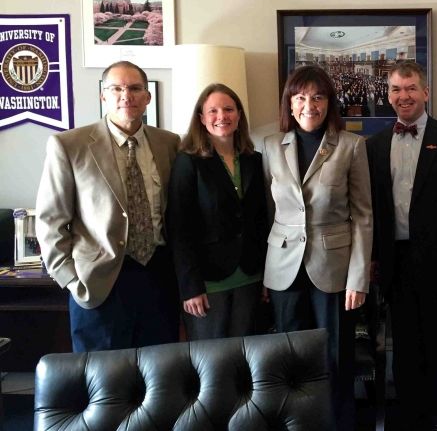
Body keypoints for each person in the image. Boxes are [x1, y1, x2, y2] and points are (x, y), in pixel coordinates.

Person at [35, 60, 180, 352]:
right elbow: (51, 220)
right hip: (99, 282)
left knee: (159, 370)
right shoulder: (69, 145)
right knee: (103, 375)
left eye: (135, 88)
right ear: (103, 96)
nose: (126, 96)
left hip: (159, 276)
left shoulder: (169, 143)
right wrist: (70, 279)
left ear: (148, 96)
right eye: (116, 88)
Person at [367, 61, 437, 431]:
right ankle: (410, 414)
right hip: (395, 260)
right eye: (396, 89)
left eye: (411, 88)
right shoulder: (374, 145)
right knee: (404, 343)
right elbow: (371, 209)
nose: (404, 96)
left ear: (426, 92)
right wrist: (373, 258)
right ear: (388, 95)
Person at [262, 65, 372, 431]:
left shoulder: (351, 146)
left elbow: (363, 216)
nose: (309, 105)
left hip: (334, 270)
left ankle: (338, 424)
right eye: (300, 97)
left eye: (318, 97)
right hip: (284, 269)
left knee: (335, 358)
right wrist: (264, 273)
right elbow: (267, 212)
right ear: (290, 103)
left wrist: (358, 278)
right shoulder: (270, 145)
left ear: (329, 103)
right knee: (289, 359)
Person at [167, 83, 268, 340]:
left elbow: (262, 221)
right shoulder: (188, 162)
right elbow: (179, 228)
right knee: (211, 359)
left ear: (239, 115)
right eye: (213, 111)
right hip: (207, 281)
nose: (221, 116)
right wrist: (190, 287)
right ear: (201, 118)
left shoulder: (254, 160)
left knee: (245, 356)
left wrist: (268, 276)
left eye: (228, 109)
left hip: (250, 275)